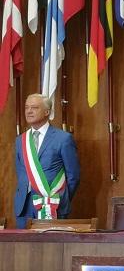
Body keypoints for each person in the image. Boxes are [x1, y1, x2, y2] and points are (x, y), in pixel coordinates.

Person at [14, 94, 81, 228]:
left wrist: (62, 197)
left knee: (50, 248)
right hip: (24, 206)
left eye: (34, 107)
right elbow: (20, 172)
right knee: (23, 248)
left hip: (52, 204)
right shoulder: (20, 140)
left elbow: (73, 176)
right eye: (27, 107)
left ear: (47, 112)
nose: (29, 111)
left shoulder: (63, 138)